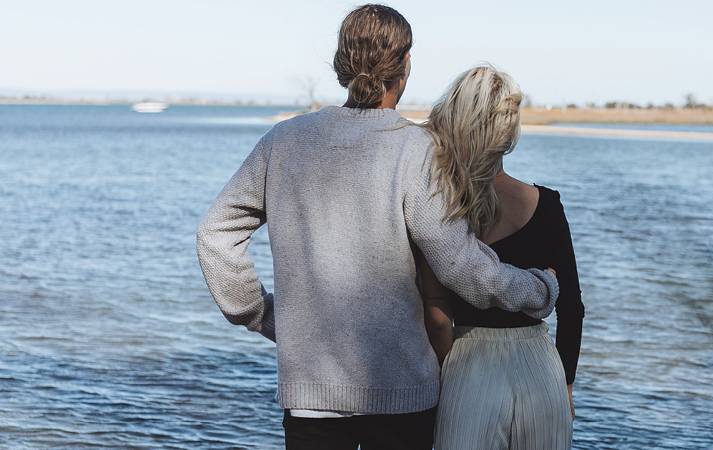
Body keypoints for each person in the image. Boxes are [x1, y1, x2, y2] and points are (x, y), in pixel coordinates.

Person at [195, 6, 558, 450]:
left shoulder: (283, 141)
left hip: (312, 399)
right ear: (404, 65)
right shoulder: (417, 149)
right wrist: (538, 289)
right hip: (402, 399)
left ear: (342, 62)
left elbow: (215, 234)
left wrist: (262, 314)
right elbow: (460, 265)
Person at [419, 65, 585, 450]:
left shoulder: (441, 209)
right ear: (510, 130)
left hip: (468, 366)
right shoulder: (547, 205)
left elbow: (436, 314)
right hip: (541, 372)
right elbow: (571, 308)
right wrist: (566, 384)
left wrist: (448, 372)